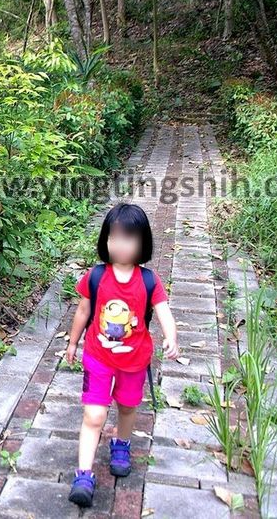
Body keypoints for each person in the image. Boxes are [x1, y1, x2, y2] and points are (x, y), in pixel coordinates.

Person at [65, 202, 179, 508]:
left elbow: (164, 312)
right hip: (98, 356)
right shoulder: (97, 275)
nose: (120, 244)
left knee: (128, 408)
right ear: (105, 240)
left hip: (134, 360)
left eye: (128, 238)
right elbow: (84, 310)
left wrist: (171, 336)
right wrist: (73, 343)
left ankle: (121, 444)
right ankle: (84, 475)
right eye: (113, 237)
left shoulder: (149, 280)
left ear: (142, 242)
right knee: (95, 414)